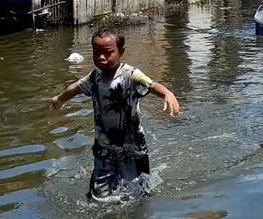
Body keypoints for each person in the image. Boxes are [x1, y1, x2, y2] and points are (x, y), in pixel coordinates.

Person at [50, 28, 180, 201]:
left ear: (121, 52)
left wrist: (167, 94)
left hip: (132, 147)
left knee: (136, 194)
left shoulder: (131, 74)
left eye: (108, 53)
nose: (101, 57)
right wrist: (60, 98)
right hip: (104, 147)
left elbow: (152, 85)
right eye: (97, 53)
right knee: (98, 197)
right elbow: (76, 87)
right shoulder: (94, 78)